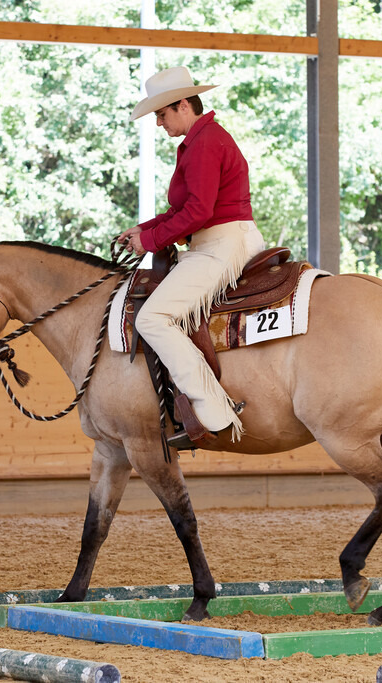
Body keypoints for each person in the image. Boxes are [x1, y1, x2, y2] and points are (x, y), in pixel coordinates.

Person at [119, 66, 265, 450]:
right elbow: (184, 209)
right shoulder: (201, 140)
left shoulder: (204, 143)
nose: (160, 123)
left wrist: (150, 241)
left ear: (184, 105)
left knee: (152, 317)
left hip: (221, 243)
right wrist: (144, 230)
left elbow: (198, 212)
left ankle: (213, 411)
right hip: (213, 240)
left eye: (162, 115)